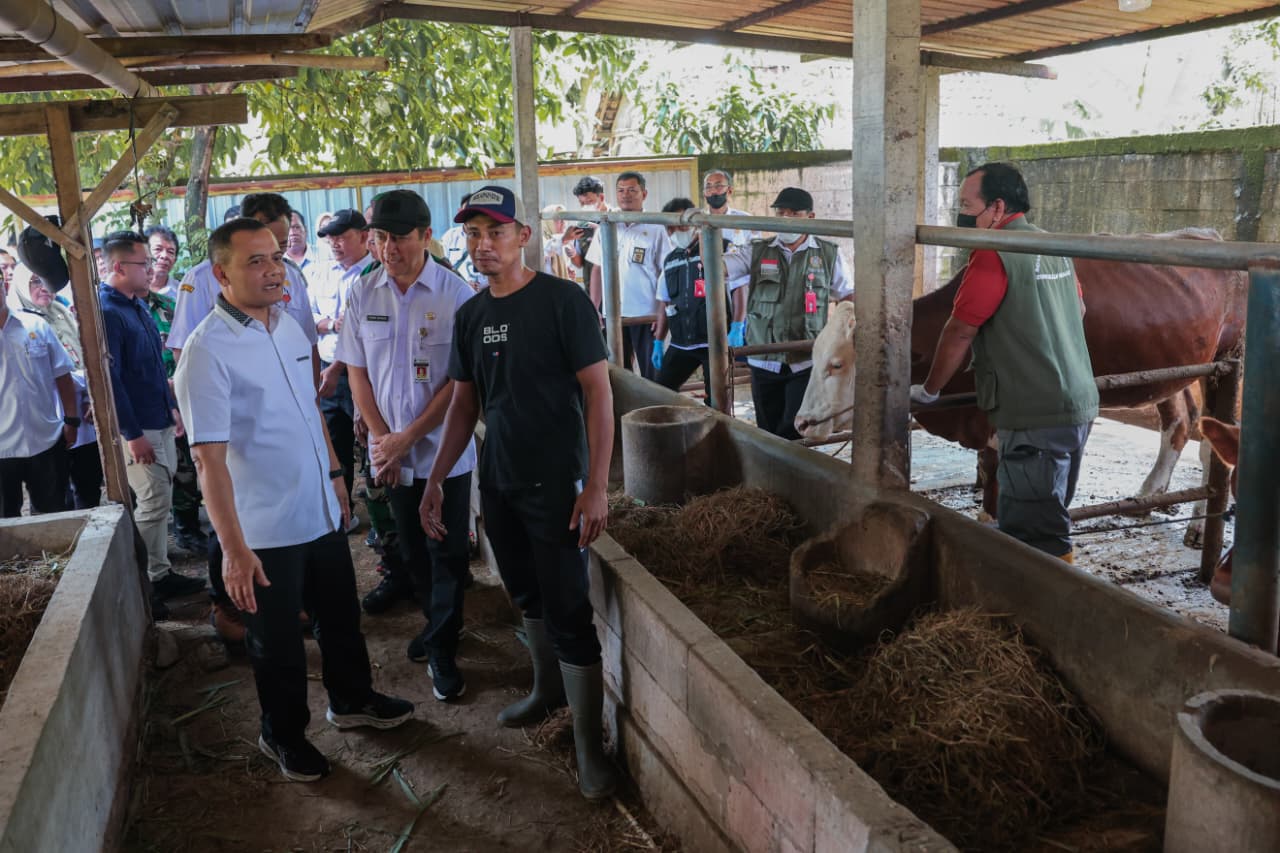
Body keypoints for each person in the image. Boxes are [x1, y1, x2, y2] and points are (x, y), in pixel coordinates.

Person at [175, 218, 413, 783]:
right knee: (278, 643)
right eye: (255, 261)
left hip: (318, 507)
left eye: (276, 257)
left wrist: (335, 474)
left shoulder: (286, 326)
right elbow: (209, 462)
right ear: (221, 273)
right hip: (264, 528)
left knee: (340, 616)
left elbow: (309, 413)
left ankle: (351, 701)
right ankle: (280, 734)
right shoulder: (207, 351)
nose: (273, 269)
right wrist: (233, 551)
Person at [419, 185, 616, 801]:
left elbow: (598, 395)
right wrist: (435, 476)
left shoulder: (564, 302)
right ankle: (545, 690)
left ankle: (588, 746)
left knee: (569, 607)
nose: (483, 245)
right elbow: (464, 402)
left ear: (522, 236)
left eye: (495, 232)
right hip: (498, 478)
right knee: (524, 590)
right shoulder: (472, 316)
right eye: (473, 234)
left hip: (557, 483)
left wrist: (597, 486)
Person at [911, 162, 1097, 562]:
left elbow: (960, 331)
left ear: (996, 208)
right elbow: (1078, 309)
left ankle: (1044, 611)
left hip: (1032, 412)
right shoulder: (1054, 246)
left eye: (966, 204)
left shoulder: (993, 254)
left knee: (1035, 536)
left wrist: (929, 389)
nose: (960, 214)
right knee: (1051, 512)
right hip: (1077, 403)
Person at [338, 189, 477, 701]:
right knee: (413, 552)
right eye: (379, 237)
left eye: (398, 237)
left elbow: (459, 386)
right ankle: (438, 624)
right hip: (389, 453)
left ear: (425, 236)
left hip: (444, 452)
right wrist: (381, 442)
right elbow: (357, 373)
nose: (388, 248)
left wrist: (406, 440)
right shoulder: (362, 293)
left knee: (446, 553)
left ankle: (442, 647)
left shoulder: (455, 295)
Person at [98, 231, 206, 604]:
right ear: (118, 267)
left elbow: (152, 368)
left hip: (157, 416)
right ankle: (147, 581)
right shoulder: (107, 312)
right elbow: (110, 380)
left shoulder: (138, 304)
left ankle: (158, 570)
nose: (151, 269)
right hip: (138, 426)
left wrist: (170, 409)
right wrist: (132, 433)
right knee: (154, 498)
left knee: (161, 495)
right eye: (143, 264)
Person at [723, 187, 853, 439]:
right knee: (767, 430)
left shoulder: (828, 254)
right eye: (781, 212)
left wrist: (840, 337)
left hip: (804, 360)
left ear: (811, 217)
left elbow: (848, 294)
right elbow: (723, 268)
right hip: (763, 358)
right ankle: (772, 475)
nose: (785, 218)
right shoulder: (758, 250)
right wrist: (705, 235)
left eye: (794, 213)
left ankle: (791, 475)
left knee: (795, 429)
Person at [168, 194, 319, 372]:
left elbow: (309, 343)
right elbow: (184, 350)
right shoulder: (201, 279)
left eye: (281, 246)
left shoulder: (292, 275)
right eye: (261, 250)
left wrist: (314, 397)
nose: (273, 263)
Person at [7, 263, 101, 509]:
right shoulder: (29, 319)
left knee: (60, 503)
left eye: (46, 280)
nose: (44, 288)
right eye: (35, 281)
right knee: (7, 518)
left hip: (53, 432)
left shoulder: (52, 318)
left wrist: (74, 417)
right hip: (8, 442)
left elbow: (66, 371)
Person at [140, 248, 207, 553]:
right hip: (145, 405)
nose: (153, 266)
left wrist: (178, 393)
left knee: (186, 468)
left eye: (167, 253)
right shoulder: (113, 310)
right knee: (150, 480)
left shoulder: (170, 304)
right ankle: (151, 552)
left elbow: (186, 347)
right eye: (149, 258)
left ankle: (187, 527)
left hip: (179, 395)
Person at [650, 198, 746, 407]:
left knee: (718, 399)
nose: (677, 231)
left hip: (714, 341)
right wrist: (659, 341)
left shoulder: (721, 247)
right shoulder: (670, 260)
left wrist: (738, 324)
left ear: (696, 223)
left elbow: (739, 288)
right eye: (671, 228)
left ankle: (720, 436)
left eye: (682, 225)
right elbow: (664, 301)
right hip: (681, 341)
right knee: (659, 391)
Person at [0, 265, 77, 517]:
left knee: (54, 514)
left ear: (5, 286)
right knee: (5, 523)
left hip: (46, 439)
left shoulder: (35, 326)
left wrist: (71, 420)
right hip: (2, 449)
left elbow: (62, 375)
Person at [311, 209, 372, 528]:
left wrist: (335, 366)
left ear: (363, 237)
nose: (334, 243)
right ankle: (342, 513)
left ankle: (382, 516)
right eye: (330, 238)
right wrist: (328, 324)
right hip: (328, 374)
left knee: (373, 443)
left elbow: (359, 333)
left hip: (363, 375)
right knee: (335, 447)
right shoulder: (321, 274)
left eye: (342, 237)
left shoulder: (374, 274)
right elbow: (310, 318)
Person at [585, 171, 670, 380]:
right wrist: (594, 308)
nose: (626, 195)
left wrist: (662, 313)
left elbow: (665, 274)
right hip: (613, 314)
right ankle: (622, 413)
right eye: (621, 191)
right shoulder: (607, 225)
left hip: (646, 314)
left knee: (652, 375)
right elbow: (597, 268)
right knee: (617, 374)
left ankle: (653, 413)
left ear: (644, 194)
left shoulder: (656, 227)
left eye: (632, 190)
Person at [564, 177, 607, 287]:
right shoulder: (582, 225)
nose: (585, 207)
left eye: (589, 202)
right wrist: (572, 253)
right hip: (591, 289)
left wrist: (601, 232)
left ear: (601, 197)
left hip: (616, 289)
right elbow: (579, 264)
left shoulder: (617, 220)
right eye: (582, 203)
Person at [438, 193, 487, 289]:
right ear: (460, 212)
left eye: (474, 212)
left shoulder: (490, 236)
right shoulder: (450, 236)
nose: (471, 216)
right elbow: (442, 269)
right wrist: (463, 285)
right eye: (467, 212)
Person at [145, 225, 182, 299]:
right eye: (158, 249)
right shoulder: (129, 292)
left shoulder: (183, 293)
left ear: (175, 260)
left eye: (170, 252)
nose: (164, 256)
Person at [285, 210, 320, 278]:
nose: (292, 233)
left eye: (297, 227)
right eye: (287, 228)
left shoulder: (325, 255)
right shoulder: (276, 263)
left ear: (306, 230)